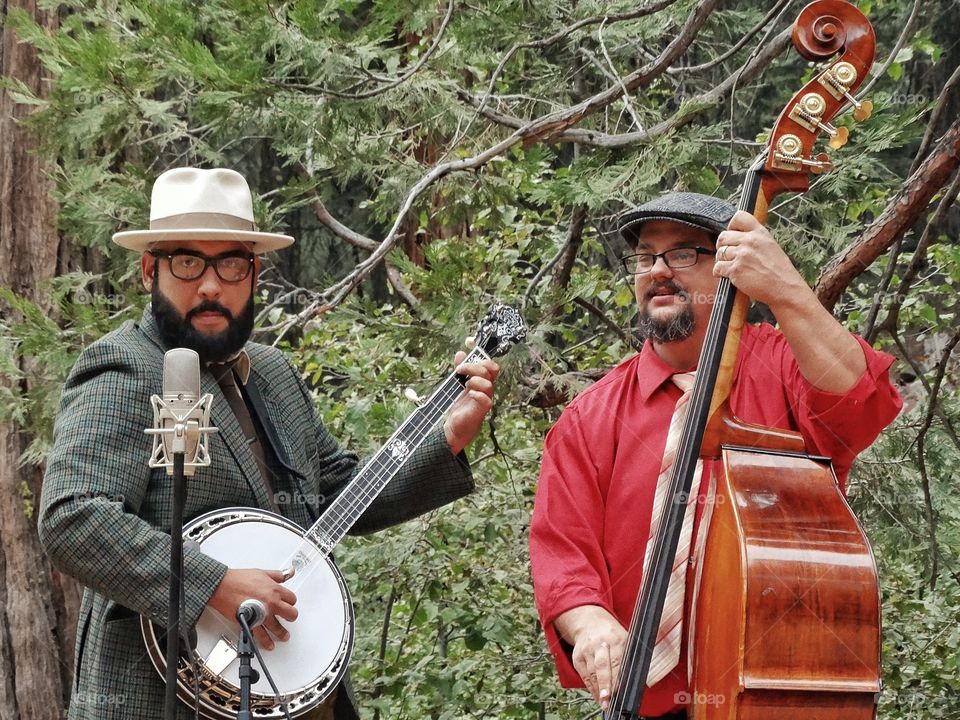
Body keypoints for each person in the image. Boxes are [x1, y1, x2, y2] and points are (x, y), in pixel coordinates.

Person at [38, 167, 500, 720]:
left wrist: (447, 436)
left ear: (254, 273)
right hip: (167, 699)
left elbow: (338, 496)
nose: (211, 286)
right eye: (187, 262)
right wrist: (214, 585)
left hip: (295, 692)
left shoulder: (274, 374)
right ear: (149, 270)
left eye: (231, 263)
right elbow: (72, 518)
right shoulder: (124, 368)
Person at [528, 192, 902, 719]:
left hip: (778, 697)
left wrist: (786, 289)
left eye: (683, 253)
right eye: (645, 257)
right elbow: (562, 550)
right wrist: (589, 622)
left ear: (730, 266)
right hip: (643, 708)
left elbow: (860, 405)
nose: (658, 271)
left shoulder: (783, 366)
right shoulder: (588, 419)